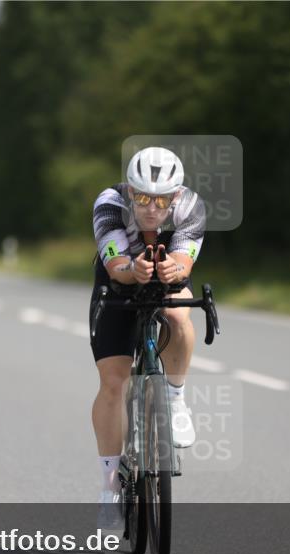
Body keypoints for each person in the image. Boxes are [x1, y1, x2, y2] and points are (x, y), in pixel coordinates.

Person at [89, 147, 206, 528]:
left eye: (161, 200)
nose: (151, 208)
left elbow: (184, 262)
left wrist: (174, 268)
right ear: (130, 191)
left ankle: (174, 398)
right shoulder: (109, 202)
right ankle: (109, 488)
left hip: (166, 278)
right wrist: (130, 270)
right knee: (114, 383)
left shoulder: (191, 206)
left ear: (175, 196)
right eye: (142, 197)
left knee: (176, 312)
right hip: (119, 280)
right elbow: (117, 265)